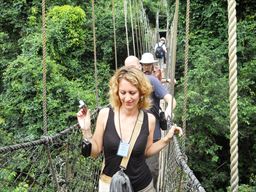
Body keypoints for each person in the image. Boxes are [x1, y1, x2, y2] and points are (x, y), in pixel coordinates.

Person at [77, 66, 183, 192]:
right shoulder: (105, 115)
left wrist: (166, 139)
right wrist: (86, 130)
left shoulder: (149, 119)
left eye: (132, 93)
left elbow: (146, 152)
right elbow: (95, 153)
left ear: (141, 93)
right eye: (123, 93)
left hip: (142, 186)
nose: (127, 98)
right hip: (111, 186)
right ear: (117, 92)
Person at [125, 54, 176, 189]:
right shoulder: (124, 85)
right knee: (126, 170)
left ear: (138, 67)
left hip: (152, 136)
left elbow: (171, 99)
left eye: (132, 68)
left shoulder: (151, 80)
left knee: (151, 171)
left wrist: (167, 113)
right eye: (127, 68)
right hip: (129, 135)